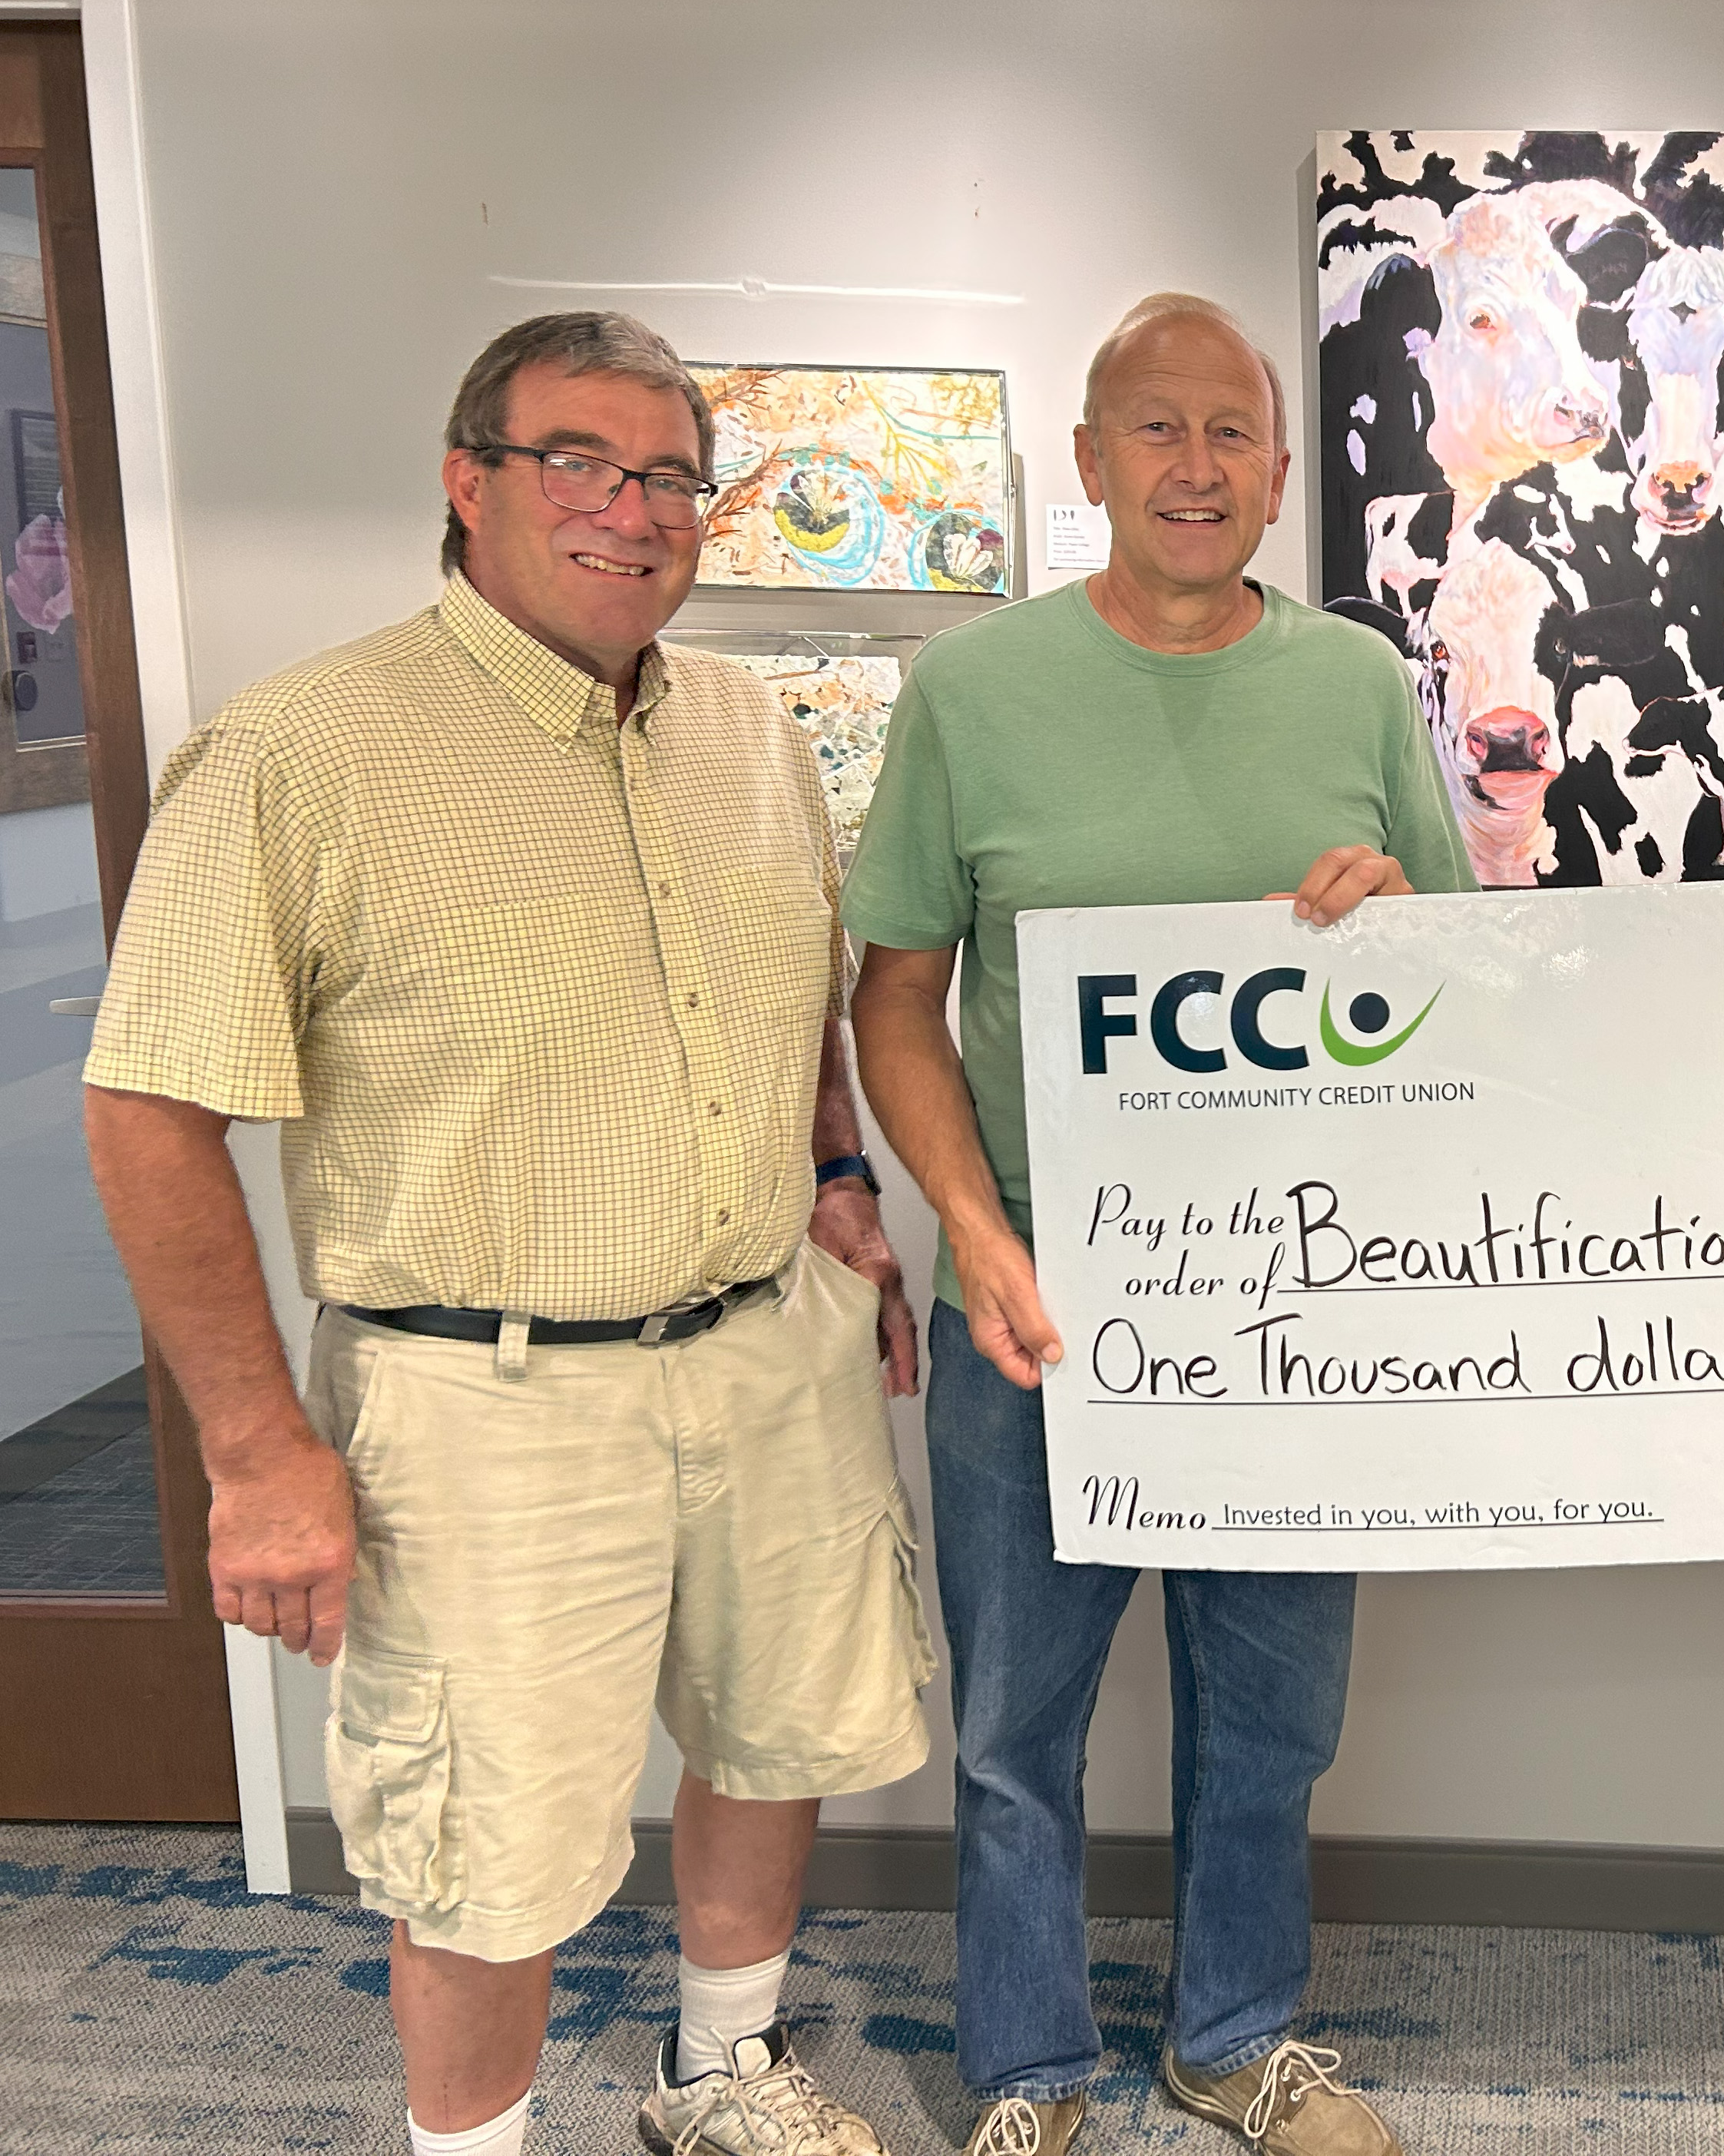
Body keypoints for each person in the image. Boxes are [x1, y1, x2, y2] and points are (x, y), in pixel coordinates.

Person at [83, 312, 934, 2156]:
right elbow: (147, 1114)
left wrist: (841, 1190)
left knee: (769, 1734)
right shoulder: (301, 752)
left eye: (669, 476)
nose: (632, 511)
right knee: (486, 1847)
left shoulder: (749, 735)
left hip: (761, 1346)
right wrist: (254, 1453)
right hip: (482, 1399)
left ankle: (719, 2074)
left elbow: (790, 1005)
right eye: (580, 464)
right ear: (468, 484)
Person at [843, 292, 1471, 2156]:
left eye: (1231, 434)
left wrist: (1401, 923)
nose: (1195, 467)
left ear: (1281, 473)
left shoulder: (1359, 681)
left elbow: (1475, 987)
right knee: (1014, 1734)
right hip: (1032, 1301)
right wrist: (974, 1230)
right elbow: (895, 997)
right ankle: (1030, 2073)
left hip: (1292, 1307)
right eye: (1156, 429)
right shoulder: (974, 693)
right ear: (1090, 459)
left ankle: (1235, 2036)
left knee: (1269, 1719)